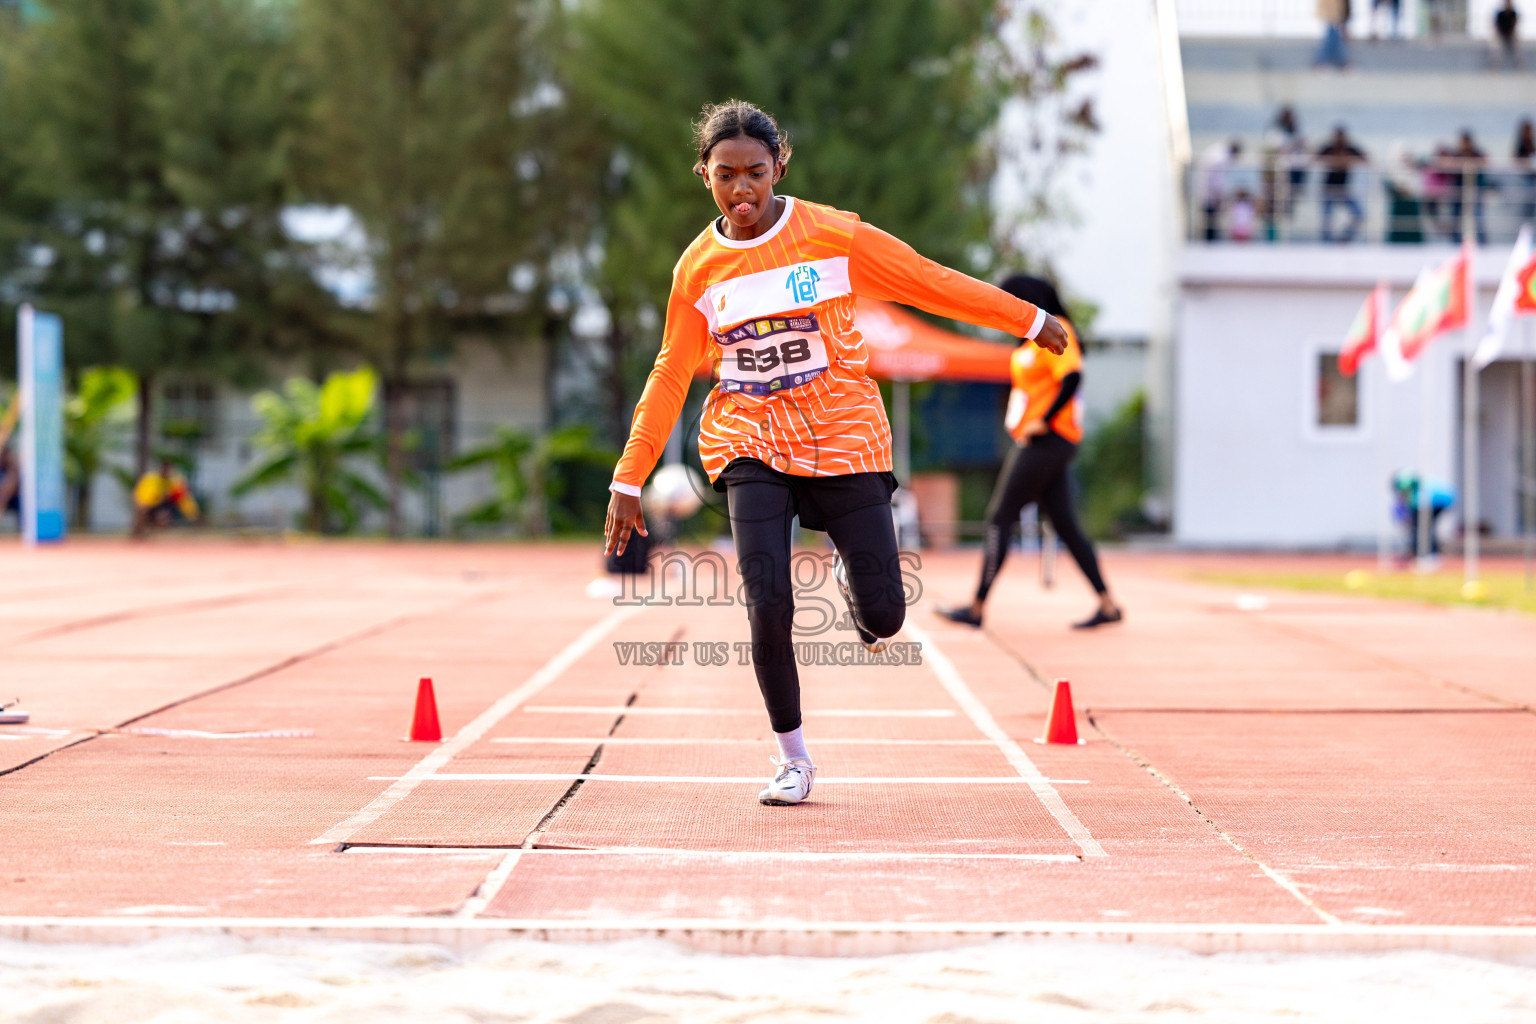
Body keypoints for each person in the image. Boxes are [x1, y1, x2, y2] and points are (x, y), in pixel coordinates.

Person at [601, 100, 1068, 808]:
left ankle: (863, 594)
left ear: (779, 165)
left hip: (842, 432)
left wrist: (1027, 319)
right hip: (749, 436)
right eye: (725, 176)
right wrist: (628, 477)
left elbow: (928, 279)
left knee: (886, 615)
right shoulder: (698, 270)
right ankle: (792, 759)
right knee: (768, 600)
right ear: (704, 176)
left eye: (755, 173)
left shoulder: (830, 234)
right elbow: (671, 371)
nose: (742, 191)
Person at [936, 276, 1122, 633]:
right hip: (1044, 442)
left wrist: (1043, 419)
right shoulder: (1030, 340)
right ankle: (1108, 604)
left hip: (1048, 441)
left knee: (999, 517)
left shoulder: (1058, 328)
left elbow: (1072, 377)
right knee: (1065, 525)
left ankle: (976, 607)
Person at [1316, 126, 1367, 243]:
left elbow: (1366, 159)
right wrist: (1332, 161)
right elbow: (1314, 159)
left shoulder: (1350, 149)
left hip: (1344, 189)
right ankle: (1327, 241)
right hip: (1329, 189)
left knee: (1359, 214)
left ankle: (1345, 237)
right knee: (1326, 217)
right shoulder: (1328, 148)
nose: (1339, 139)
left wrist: (1349, 161)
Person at [1392, 471, 1455, 561]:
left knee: (1424, 529)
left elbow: (1411, 506)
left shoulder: (1414, 490)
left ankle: (1428, 554)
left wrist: (1408, 518)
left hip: (1436, 502)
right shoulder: (1414, 486)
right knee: (1424, 528)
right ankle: (1424, 552)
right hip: (1441, 501)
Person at [131, 459, 200, 537]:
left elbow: (183, 498)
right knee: (142, 512)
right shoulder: (151, 479)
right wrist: (144, 505)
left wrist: (192, 513)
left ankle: (156, 533)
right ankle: (137, 533)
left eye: (169, 470)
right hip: (150, 504)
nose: (167, 472)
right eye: (165, 469)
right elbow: (140, 494)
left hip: (166, 505)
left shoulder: (175, 481)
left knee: (162, 515)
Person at [1315, 0, 1351, 68]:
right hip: (1333, 15)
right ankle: (1322, 61)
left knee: (1333, 37)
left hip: (1336, 14)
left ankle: (1323, 61)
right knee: (1332, 37)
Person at [1513, 119, 1536, 222]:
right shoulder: (1521, 145)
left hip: (1532, 179)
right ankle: (1526, 226)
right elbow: (1516, 161)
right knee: (1526, 207)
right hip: (1524, 180)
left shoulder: (1532, 144)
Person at [1495, 1, 1521, 69]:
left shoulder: (1513, 13)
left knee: (1517, 47)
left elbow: (1514, 25)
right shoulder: (1500, 14)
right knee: (1496, 48)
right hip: (1502, 34)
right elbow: (1497, 25)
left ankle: (1519, 66)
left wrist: (1510, 34)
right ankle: (1494, 66)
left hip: (1511, 34)